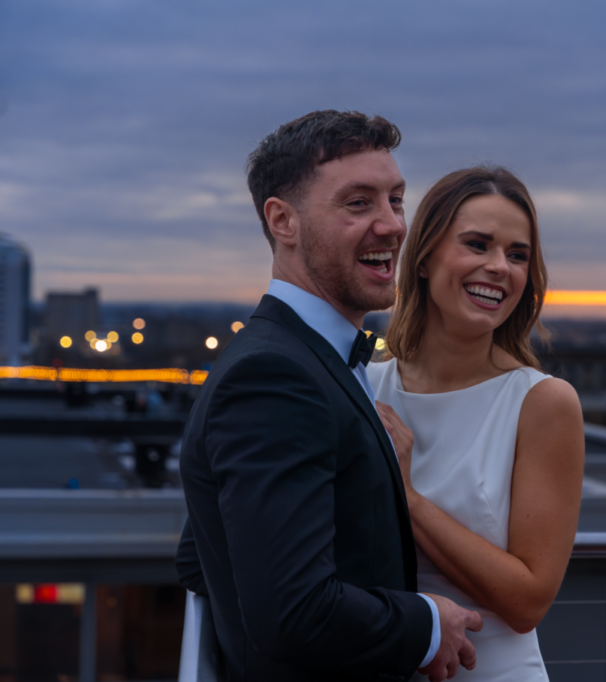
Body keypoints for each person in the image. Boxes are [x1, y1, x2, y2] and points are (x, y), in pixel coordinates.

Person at [174, 110, 483, 682]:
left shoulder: (299, 356)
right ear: (282, 220)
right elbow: (292, 613)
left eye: (395, 199)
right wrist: (428, 622)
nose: (393, 226)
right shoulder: (273, 375)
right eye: (358, 203)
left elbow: (200, 557)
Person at [367, 167, 586, 681]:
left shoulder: (543, 403)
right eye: (477, 244)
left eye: (517, 255)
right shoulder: (363, 387)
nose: (498, 268)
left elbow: (529, 601)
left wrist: (408, 496)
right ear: (423, 259)